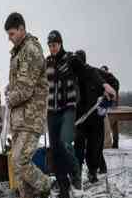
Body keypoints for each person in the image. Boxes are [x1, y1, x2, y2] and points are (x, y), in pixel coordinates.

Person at [46, 31, 116, 197]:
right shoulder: (47, 62)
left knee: (70, 144)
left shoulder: (71, 60)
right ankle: (64, 187)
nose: (52, 48)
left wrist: (105, 85)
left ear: (61, 43)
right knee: (57, 150)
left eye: (54, 45)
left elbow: (90, 72)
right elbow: (37, 80)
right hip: (58, 112)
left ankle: (82, 173)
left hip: (74, 111)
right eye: (49, 46)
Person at [4, 12, 52, 198]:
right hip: (20, 118)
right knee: (17, 167)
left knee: (19, 161)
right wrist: (10, 87)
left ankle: (47, 184)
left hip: (31, 118)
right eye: (8, 35)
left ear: (22, 29)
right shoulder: (19, 51)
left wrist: (10, 98)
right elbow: (22, 81)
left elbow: (25, 89)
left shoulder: (30, 50)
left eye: (12, 34)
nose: (9, 39)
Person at [73, 52, 118, 182]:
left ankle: (93, 172)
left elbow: (114, 82)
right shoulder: (72, 76)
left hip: (95, 118)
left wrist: (108, 99)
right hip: (80, 119)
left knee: (94, 148)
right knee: (78, 146)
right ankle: (77, 173)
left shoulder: (95, 73)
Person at [101, 65, 120, 149]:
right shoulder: (100, 80)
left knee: (113, 124)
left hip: (109, 107)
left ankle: (114, 143)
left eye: (104, 71)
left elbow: (115, 96)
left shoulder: (111, 81)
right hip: (101, 107)